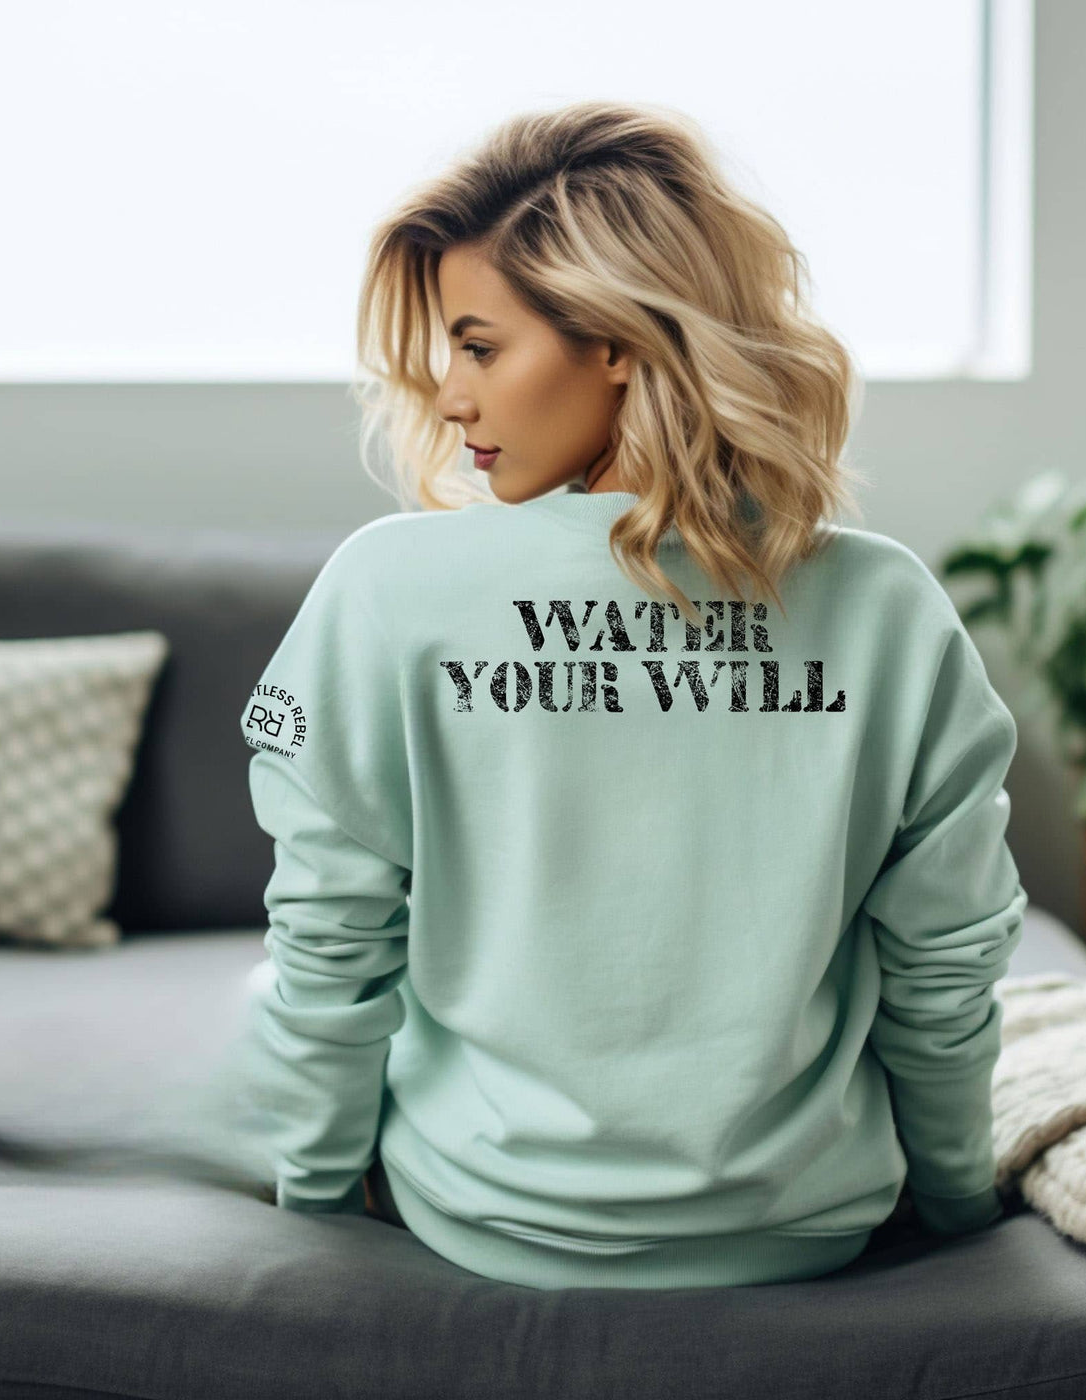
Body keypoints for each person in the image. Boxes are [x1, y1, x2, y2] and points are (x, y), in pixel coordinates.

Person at [232, 97, 1029, 1291]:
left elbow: (328, 946)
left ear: (614, 340)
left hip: (484, 1215)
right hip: (806, 1221)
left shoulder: (382, 587)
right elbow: (943, 966)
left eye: (480, 346)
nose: (450, 398)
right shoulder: (888, 606)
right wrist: (961, 1202)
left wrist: (313, 1191)